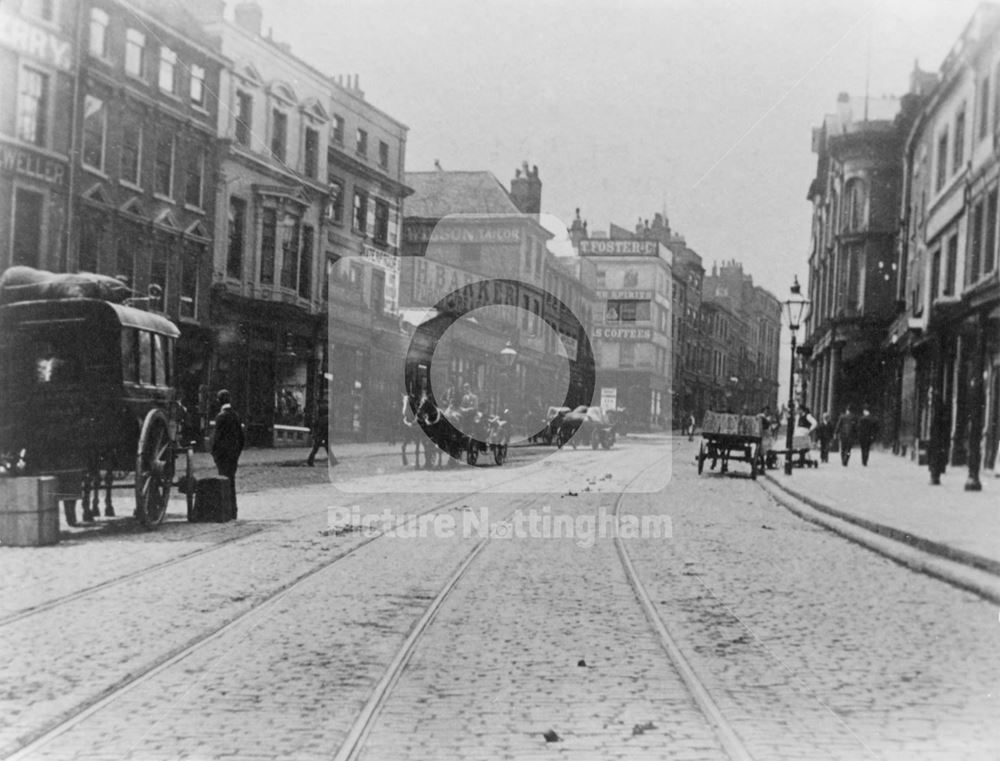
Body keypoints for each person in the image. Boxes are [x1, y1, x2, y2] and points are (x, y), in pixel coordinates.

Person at [211, 389, 245, 518]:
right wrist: (237, 453)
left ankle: (225, 511)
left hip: (223, 456)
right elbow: (242, 438)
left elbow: (217, 438)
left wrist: (214, 454)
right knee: (232, 481)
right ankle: (233, 511)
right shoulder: (236, 416)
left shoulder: (220, 417)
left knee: (224, 481)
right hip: (233, 456)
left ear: (219, 401)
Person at [307, 399, 337, 467]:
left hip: (320, 434)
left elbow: (315, 424)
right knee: (325, 448)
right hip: (324, 434)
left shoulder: (321, 416)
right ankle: (333, 461)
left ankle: (310, 460)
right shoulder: (327, 417)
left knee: (316, 448)